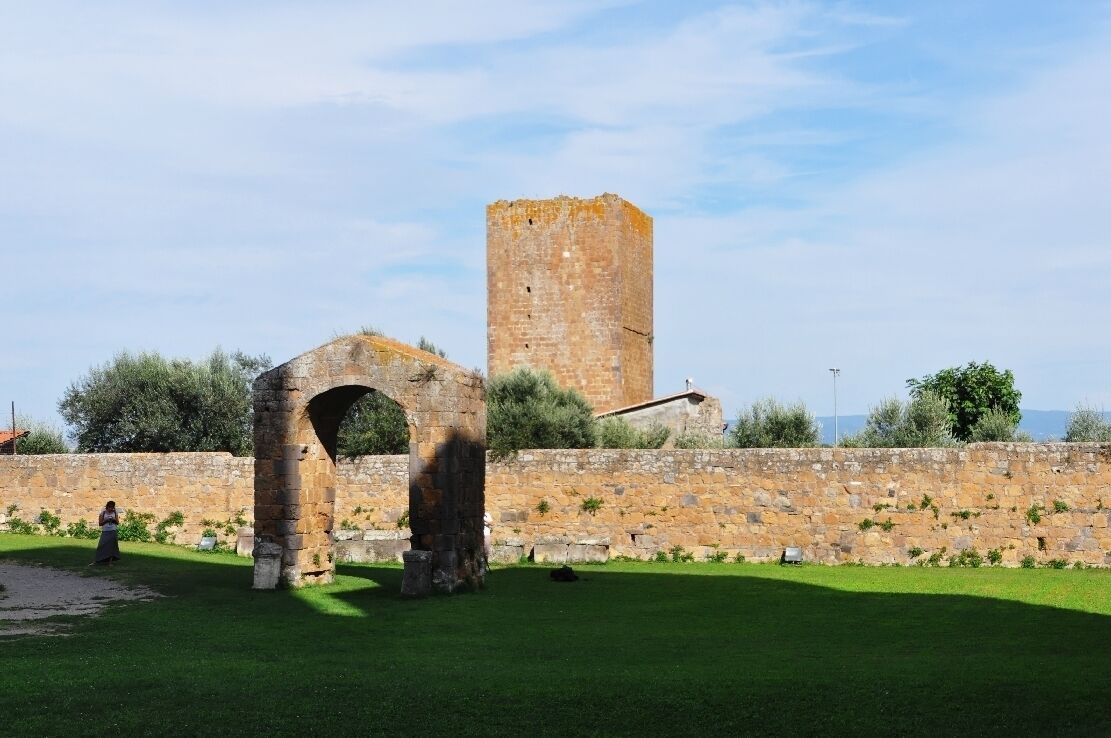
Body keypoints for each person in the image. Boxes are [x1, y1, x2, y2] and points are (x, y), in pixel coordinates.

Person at [93, 500, 121, 565]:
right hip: (105, 531)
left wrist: (113, 520)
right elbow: (100, 523)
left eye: (112, 507)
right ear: (107, 507)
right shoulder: (103, 513)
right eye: (110, 507)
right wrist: (106, 520)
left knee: (112, 547)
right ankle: (97, 560)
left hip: (113, 530)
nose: (111, 508)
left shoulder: (115, 513)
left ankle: (110, 562)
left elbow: (117, 522)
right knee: (101, 545)